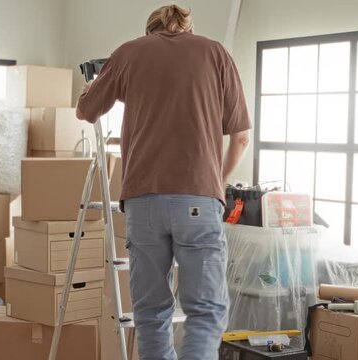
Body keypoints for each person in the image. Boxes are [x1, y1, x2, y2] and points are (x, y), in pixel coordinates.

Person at [76, 4, 250, 360]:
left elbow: (86, 111)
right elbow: (242, 137)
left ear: (149, 30)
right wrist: (217, 181)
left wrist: (92, 85)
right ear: (187, 28)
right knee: (204, 312)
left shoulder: (128, 53)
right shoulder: (216, 52)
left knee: (152, 314)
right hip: (199, 201)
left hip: (142, 202)